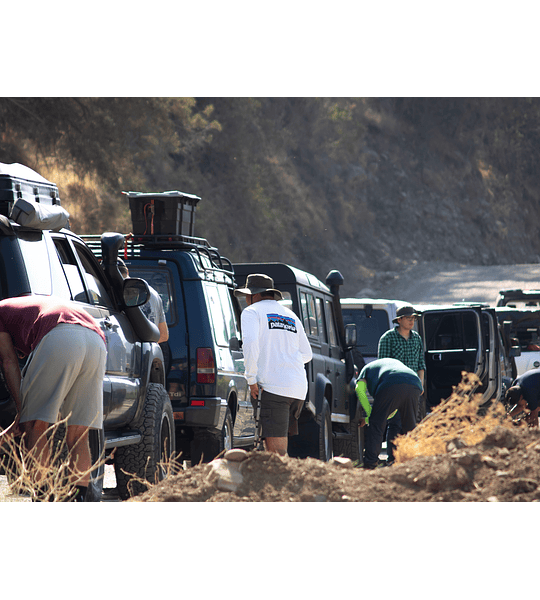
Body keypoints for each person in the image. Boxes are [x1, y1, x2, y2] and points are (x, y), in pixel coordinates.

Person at [0, 295, 107, 501]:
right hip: (96, 339)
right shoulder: (20, 310)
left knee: (36, 427)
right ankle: (79, 499)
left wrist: (22, 411)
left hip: (60, 334)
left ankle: (42, 500)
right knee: (78, 434)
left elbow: (9, 362)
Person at [234, 274, 312, 456]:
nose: (246, 300)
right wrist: (285, 362)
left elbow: (250, 343)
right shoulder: (290, 315)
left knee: (276, 452)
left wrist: (251, 378)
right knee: (275, 443)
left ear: (255, 295)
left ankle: (282, 483)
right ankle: (277, 480)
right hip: (298, 388)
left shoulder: (251, 312)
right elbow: (307, 354)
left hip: (272, 389)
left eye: (247, 295)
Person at [377, 304, 425, 464]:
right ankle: (393, 459)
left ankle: (409, 459)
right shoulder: (387, 338)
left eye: (414, 318)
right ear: (399, 320)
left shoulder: (417, 338)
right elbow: (382, 365)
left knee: (411, 425)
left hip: (412, 387)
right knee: (395, 423)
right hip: (394, 386)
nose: (412, 321)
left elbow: (421, 364)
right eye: (409, 318)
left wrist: (420, 384)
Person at [356, 357, 422, 469]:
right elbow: (390, 413)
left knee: (376, 426)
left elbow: (359, 389)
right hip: (415, 383)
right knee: (410, 428)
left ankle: (370, 464)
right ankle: (414, 462)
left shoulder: (365, 370)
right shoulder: (392, 364)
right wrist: (368, 419)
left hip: (390, 383)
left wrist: (370, 415)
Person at [117, 258, 169, 343]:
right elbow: (163, 335)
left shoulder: (113, 293)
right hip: (150, 352)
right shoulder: (153, 293)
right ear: (127, 270)